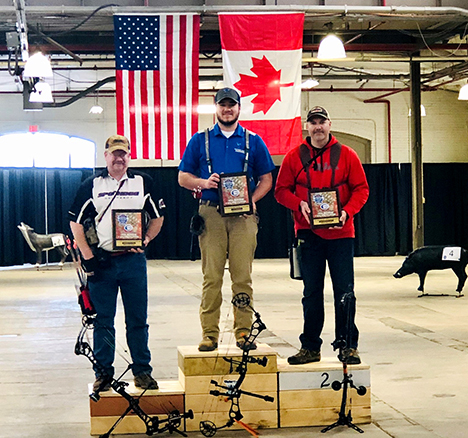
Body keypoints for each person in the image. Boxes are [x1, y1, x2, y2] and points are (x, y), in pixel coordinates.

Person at [178, 87, 275, 352]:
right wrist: (202, 181)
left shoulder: (253, 141)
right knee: (212, 277)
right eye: (222, 105)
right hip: (210, 213)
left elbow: (267, 178)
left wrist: (252, 200)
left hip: (243, 216)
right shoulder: (200, 140)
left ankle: (243, 331)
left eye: (232, 105)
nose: (227, 109)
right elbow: (182, 177)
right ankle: (210, 334)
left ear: (239, 108)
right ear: (216, 108)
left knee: (242, 277)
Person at [69, 134, 165, 391]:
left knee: (137, 320)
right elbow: (75, 223)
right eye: (114, 153)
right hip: (103, 264)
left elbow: (157, 217)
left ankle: (142, 371)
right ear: (106, 156)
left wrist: (145, 239)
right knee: (103, 321)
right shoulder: (91, 185)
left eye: (123, 153)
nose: (119, 158)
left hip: (133, 262)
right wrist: (88, 257)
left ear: (129, 155)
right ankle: (103, 373)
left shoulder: (144, 182)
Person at [275, 106, 369, 365]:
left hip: (341, 234)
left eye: (322, 122)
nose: (318, 127)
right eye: (313, 122)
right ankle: (310, 347)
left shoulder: (348, 155)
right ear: (307, 127)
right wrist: (299, 204)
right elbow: (280, 190)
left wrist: (347, 212)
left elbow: (362, 189)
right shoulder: (294, 157)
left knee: (345, 291)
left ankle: (348, 345)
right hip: (308, 234)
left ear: (330, 124)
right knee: (312, 292)